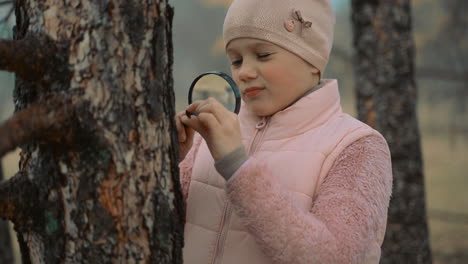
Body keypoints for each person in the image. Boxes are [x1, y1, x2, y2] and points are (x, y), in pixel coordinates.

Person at [175, 0, 392, 263]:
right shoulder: (211, 135)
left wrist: (238, 168)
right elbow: (159, 231)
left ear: (312, 60)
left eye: (263, 55)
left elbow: (334, 257)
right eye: (236, 60)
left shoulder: (357, 147)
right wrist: (166, 163)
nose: (243, 72)